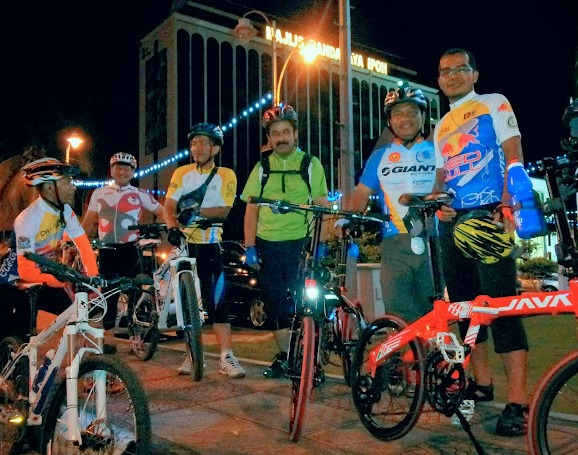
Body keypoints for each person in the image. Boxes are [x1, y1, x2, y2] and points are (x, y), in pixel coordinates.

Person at [433, 48, 529, 436]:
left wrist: (508, 202)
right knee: (465, 309)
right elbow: (442, 178)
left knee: (502, 308)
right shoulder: (442, 125)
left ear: (474, 74)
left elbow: (514, 154)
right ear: (439, 80)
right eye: (445, 71)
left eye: (461, 69)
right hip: (452, 225)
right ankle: (483, 383)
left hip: (490, 216)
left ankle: (518, 403)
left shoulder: (493, 103)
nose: (452, 75)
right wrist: (439, 203)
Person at [241, 105, 328, 378]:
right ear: (269, 138)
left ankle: (313, 362)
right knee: (275, 304)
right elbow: (251, 209)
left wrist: (320, 243)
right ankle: (286, 358)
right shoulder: (262, 168)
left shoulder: (310, 164)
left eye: (286, 132)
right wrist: (250, 246)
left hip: (301, 243)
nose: (281, 138)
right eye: (275, 133)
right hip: (269, 244)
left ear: (295, 134)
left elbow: (321, 205)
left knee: (310, 303)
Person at [348, 84, 440, 323]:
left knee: (434, 315)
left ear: (423, 116)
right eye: (398, 114)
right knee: (398, 316)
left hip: (433, 241)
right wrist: (347, 220)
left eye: (412, 112)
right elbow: (361, 193)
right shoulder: (380, 156)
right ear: (389, 120)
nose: (405, 119)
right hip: (394, 244)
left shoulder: (438, 151)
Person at [163, 123, 246, 379]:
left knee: (217, 302)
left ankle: (226, 357)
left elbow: (223, 210)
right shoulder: (181, 173)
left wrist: (194, 211)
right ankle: (191, 354)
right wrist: (172, 227)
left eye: (203, 143)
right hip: (185, 245)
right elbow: (169, 206)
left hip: (210, 245)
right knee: (186, 305)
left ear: (215, 148)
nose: (196, 148)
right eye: (193, 143)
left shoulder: (226, 174)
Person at [0, 158, 99, 348]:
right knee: (15, 341)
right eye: (67, 182)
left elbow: (84, 246)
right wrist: (64, 281)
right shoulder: (28, 218)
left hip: (44, 275)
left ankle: (73, 361)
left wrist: (93, 278)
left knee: (79, 310)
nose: (73, 187)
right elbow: (26, 271)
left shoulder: (66, 212)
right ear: (50, 187)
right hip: (15, 280)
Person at [82, 152, 164, 353]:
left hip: (131, 249)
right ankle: (109, 339)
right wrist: (79, 242)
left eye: (127, 169)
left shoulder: (139, 194)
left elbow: (162, 212)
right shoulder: (99, 193)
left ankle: (136, 335)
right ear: (111, 170)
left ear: (133, 172)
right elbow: (88, 221)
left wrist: (152, 231)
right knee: (109, 294)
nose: (122, 172)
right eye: (118, 168)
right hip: (107, 249)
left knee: (136, 291)